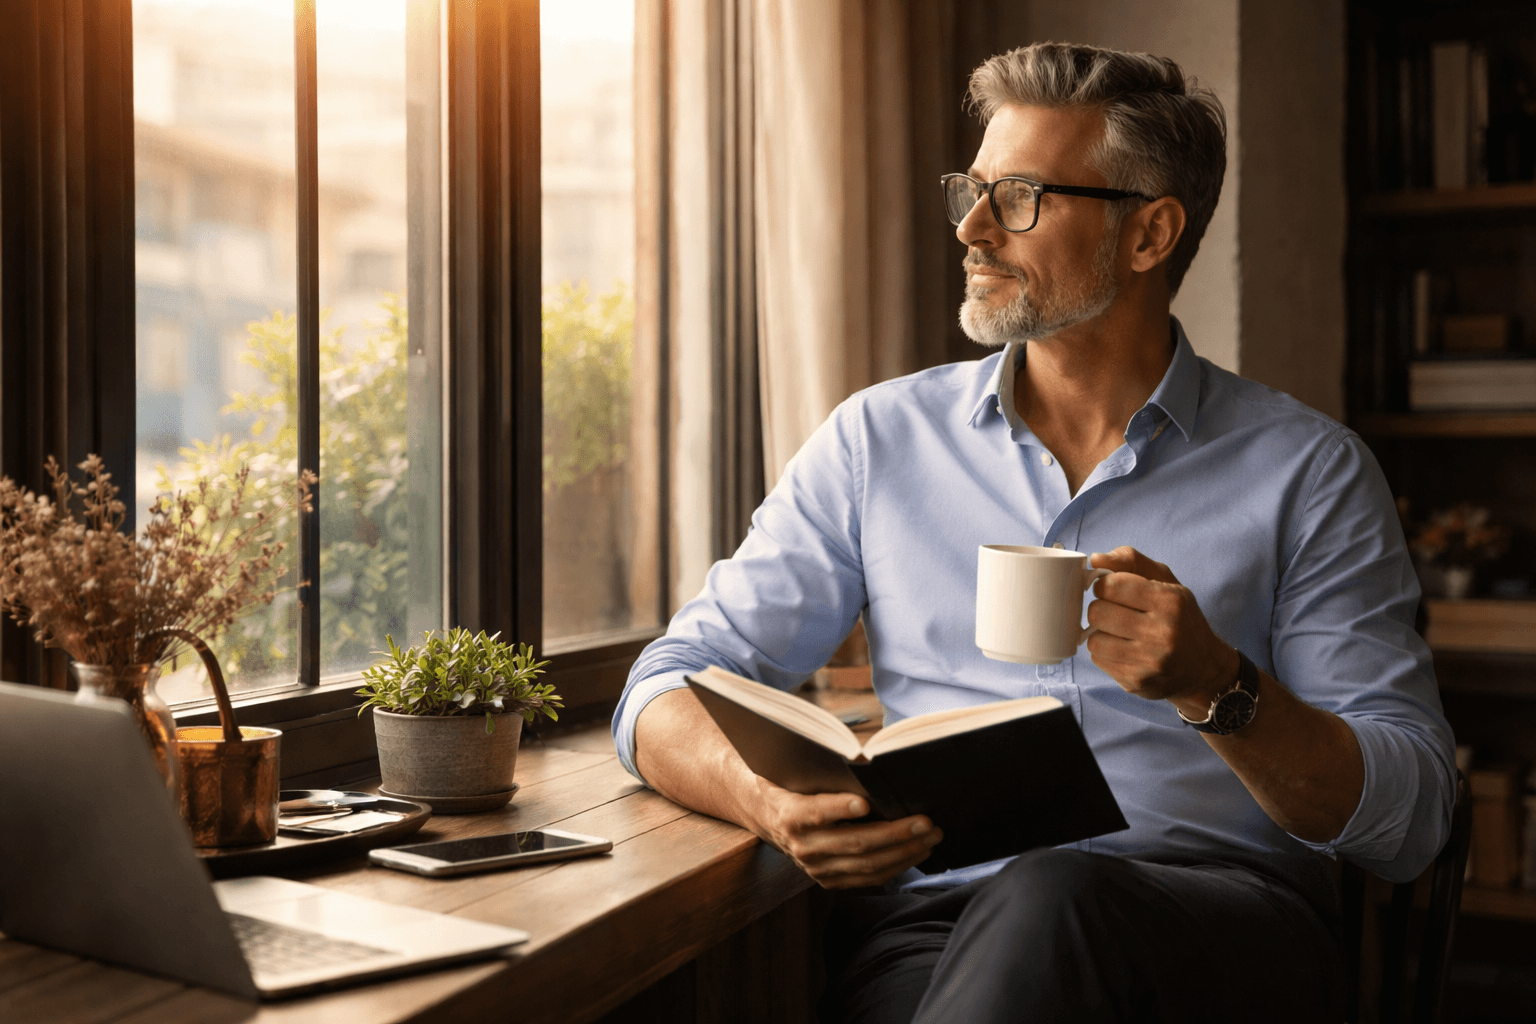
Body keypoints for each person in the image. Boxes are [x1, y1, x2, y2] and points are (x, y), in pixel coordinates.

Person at [611, 41, 1455, 1023]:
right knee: (1013, 920)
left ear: (1149, 235)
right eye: (970, 190)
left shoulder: (1310, 472)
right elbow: (666, 682)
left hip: (1219, 933)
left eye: (1017, 197)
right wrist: (767, 804)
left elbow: (1412, 821)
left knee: (1053, 892)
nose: (971, 228)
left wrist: (1216, 687)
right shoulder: (877, 442)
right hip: (936, 932)